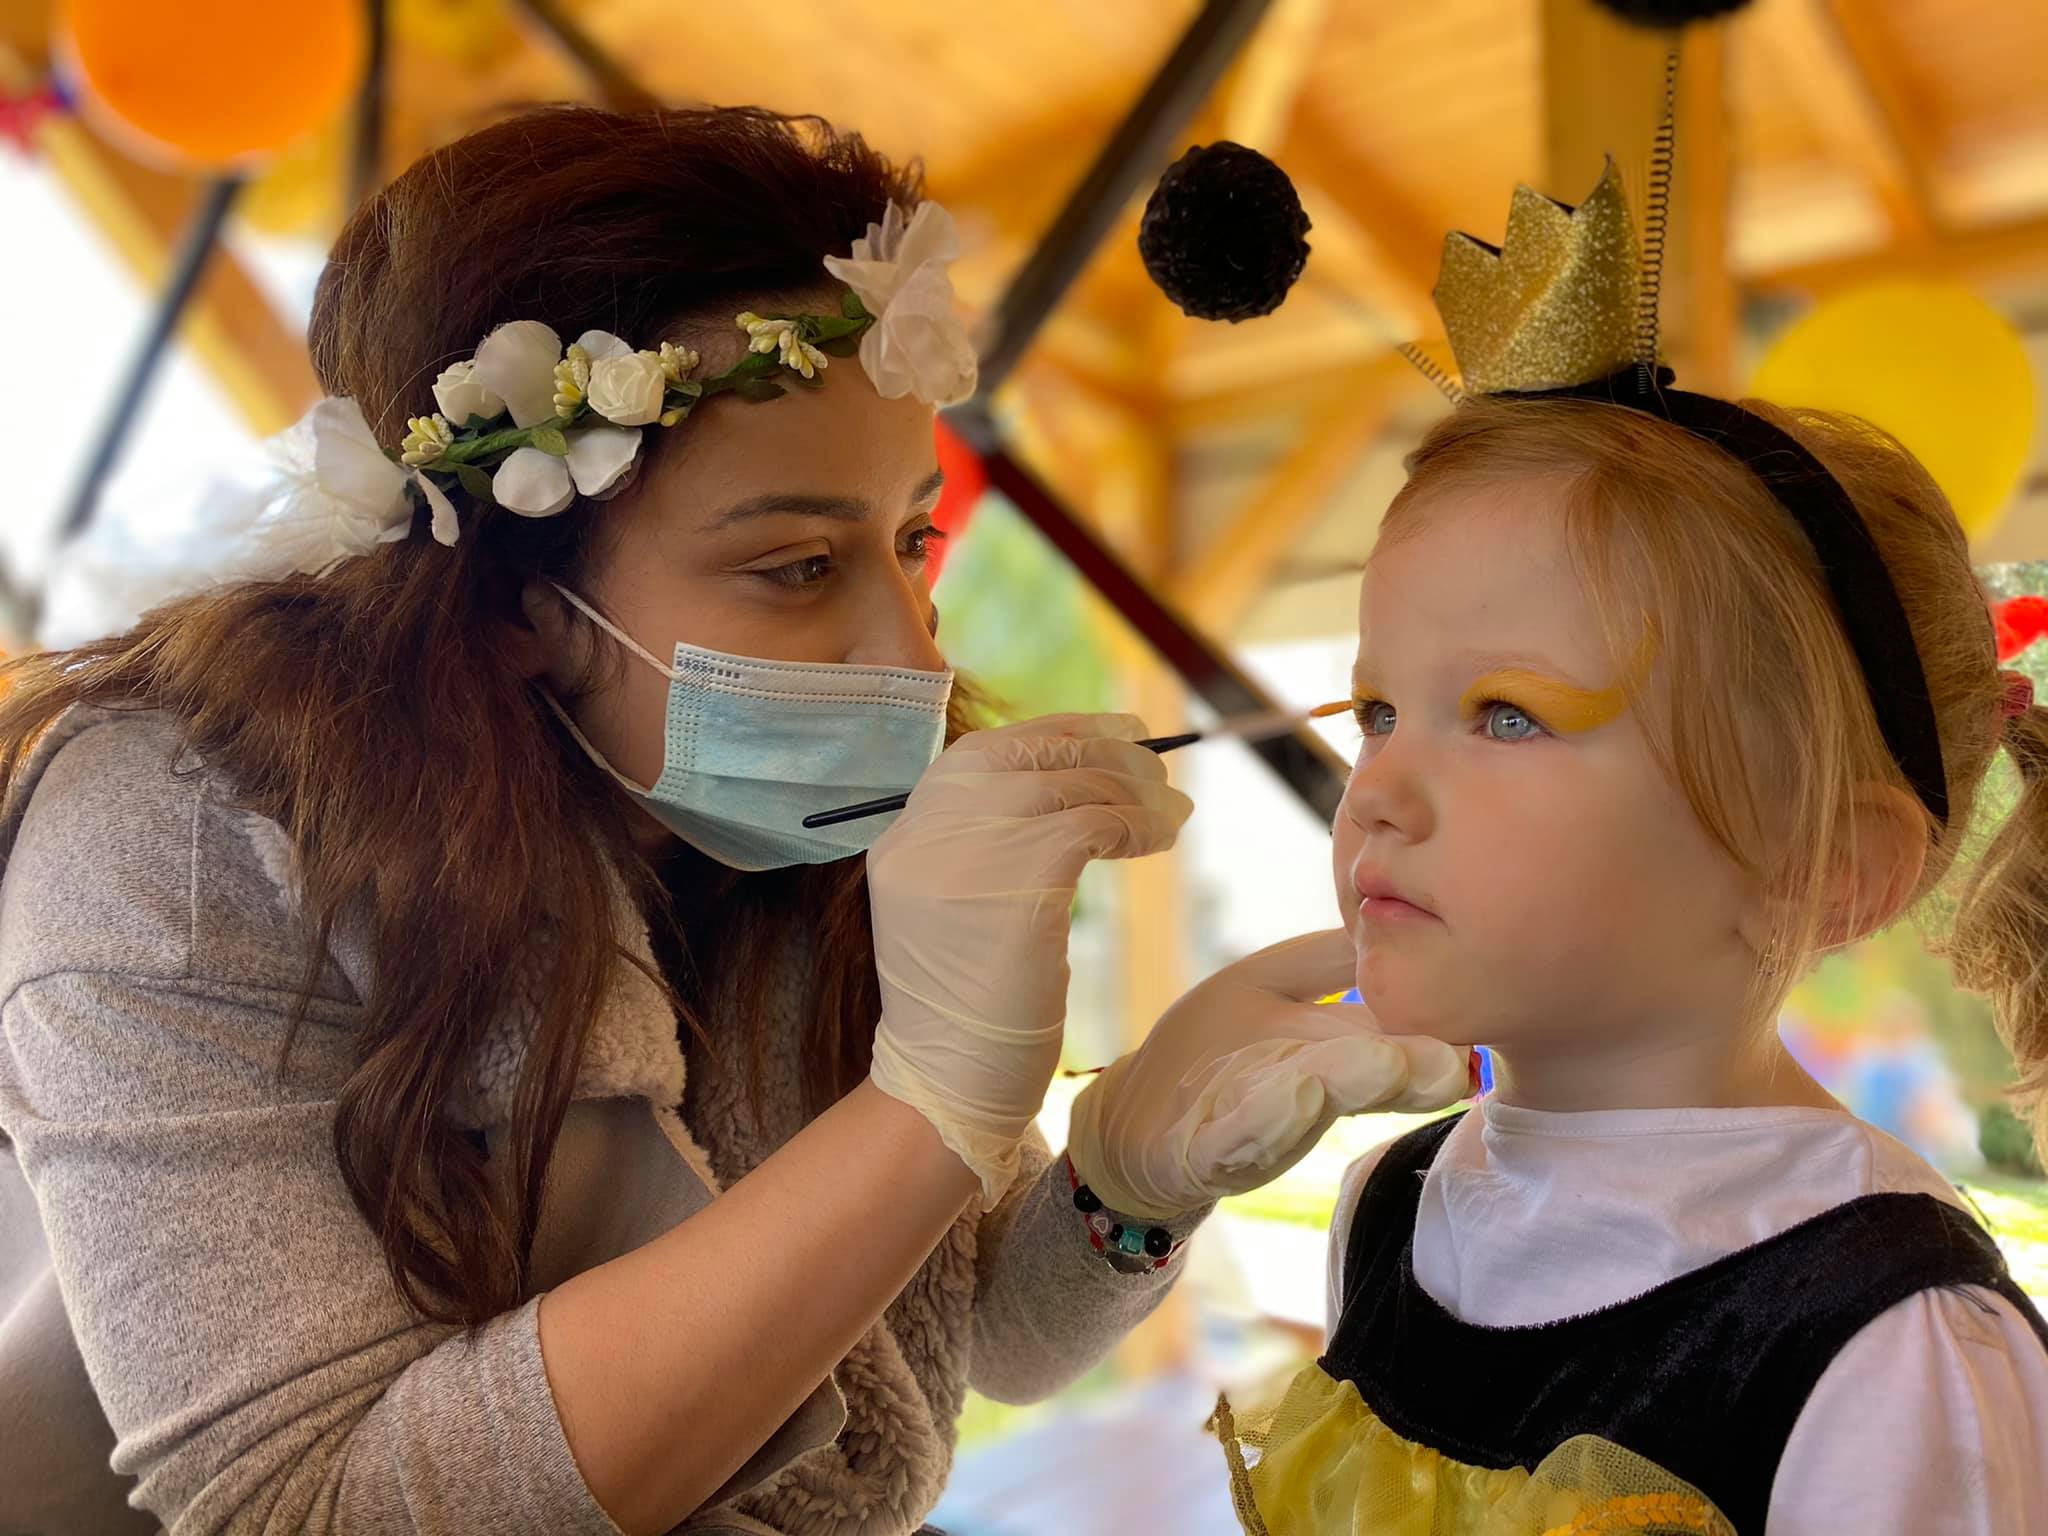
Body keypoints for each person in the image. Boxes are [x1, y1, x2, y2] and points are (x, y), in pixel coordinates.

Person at [0, 104, 1465, 1536]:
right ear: (515, 602)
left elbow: (964, 1336)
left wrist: (1121, 1185)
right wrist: (927, 1106)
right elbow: (311, 1505)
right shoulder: (180, 842)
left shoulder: (801, 844)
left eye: (913, 540)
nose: (917, 658)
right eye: (797, 566)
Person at [1208, 232, 2048, 1529]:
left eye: (1506, 715)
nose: (1373, 789)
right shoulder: (1390, 1209)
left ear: (1820, 866)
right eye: (1378, 711)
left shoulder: (1887, 1348)